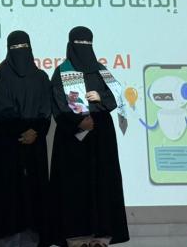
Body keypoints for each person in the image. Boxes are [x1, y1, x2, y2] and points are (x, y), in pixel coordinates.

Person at [50, 26, 129, 245]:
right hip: (74, 139)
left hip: (101, 137)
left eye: (87, 43)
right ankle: (77, 235)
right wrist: (78, 121)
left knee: (102, 182)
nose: (83, 48)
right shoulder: (62, 72)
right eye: (80, 44)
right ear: (71, 45)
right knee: (76, 186)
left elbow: (116, 96)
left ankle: (102, 235)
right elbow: (58, 102)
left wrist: (100, 97)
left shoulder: (101, 70)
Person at [0, 31, 51, 247]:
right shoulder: (2, 76)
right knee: (11, 195)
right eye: (15, 48)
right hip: (9, 146)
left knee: (34, 194)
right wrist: (27, 131)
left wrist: (36, 131)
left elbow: (46, 110)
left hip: (34, 147)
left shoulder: (41, 77)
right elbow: (2, 110)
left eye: (23, 47)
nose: (20, 53)